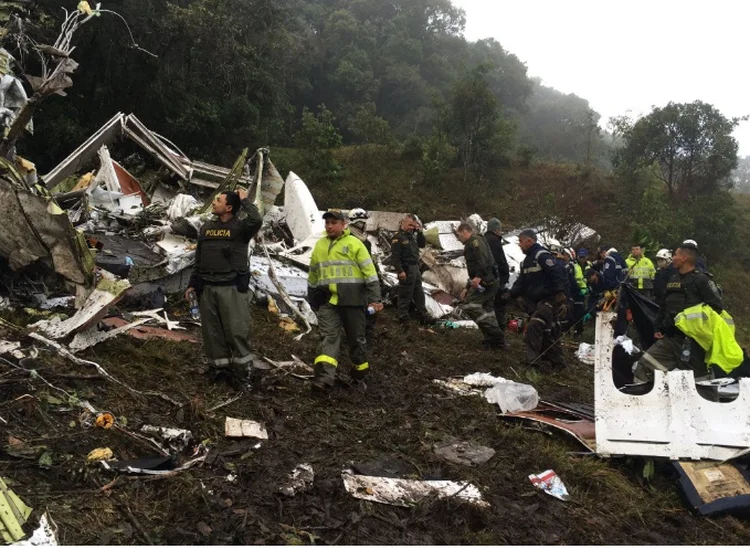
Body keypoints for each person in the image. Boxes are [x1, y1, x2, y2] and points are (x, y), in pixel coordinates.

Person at [185, 189, 263, 387]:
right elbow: (199, 258)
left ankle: (243, 373)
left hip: (231, 288)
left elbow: (256, 220)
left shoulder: (241, 228)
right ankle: (219, 371)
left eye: (218, 200)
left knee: (237, 330)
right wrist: (193, 284)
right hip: (207, 288)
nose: (213, 202)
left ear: (228, 207)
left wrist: (244, 200)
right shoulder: (206, 228)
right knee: (212, 333)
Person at [308, 210, 383, 393]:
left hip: (354, 302)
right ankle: (323, 379)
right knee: (329, 337)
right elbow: (313, 274)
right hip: (329, 302)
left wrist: (375, 299)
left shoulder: (356, 244)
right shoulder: (319, 245)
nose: (329, 226)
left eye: (333, 222)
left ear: (344, 224)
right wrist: (312, 299)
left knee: (356, 341)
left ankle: (359, 373)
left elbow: (370, 275)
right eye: (327, 223)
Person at [633, 244, 723, 382]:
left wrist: (693, 323)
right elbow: (664, 305)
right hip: (670, 339)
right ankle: (641, 400)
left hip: (693, 343)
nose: (673, 258)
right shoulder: (673, 278)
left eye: (675, 255)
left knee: (701, 382)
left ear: (684, 258)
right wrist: (658, 327)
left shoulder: (702, 280)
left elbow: (716, 308)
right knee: (644, 368)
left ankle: (709, 402)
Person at [504, 229, 569, 371]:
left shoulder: (542, 256)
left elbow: (556, 273)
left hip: (549, 299)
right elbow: (521, 282)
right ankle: (557, 363)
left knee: (534, 326)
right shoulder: (525, 262)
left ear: (529, 241)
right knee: (547, 332)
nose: (519, 245)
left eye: (521, 242)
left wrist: (560, 293)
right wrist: (510, 295)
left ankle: (532, 362)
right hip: (535, 302)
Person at [456, 222, 505, 348]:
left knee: (470, 305)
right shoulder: (473, 242)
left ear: (464, 231)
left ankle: (496, 334)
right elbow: (473, 270)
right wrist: (467, 287)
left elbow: (482, 260)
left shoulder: (475, 241)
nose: (458, 238)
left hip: (486, 280)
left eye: (459, 235)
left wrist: (478, 276)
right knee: (488, 309)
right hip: (487, 279)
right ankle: (494, 341)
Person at [348, 208, 380, 344]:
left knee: (371, 306)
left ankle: (367, 332)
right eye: (360, 221)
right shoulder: (348, 238)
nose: (362, 224)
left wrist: (376, 270)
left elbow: (368, 260)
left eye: (363, 221)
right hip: (354, 280)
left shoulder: (365, 239)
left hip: (367, 278)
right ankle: (357, 335)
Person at [390, 214, 428, 326]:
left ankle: (423, 315)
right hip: (406, 268)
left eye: (413, 225)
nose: (412, 227)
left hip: (415, 267)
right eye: (410, 225)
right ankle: (403, 317)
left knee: (419, 292)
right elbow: (395, 258)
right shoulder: (398, 237)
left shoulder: (412, 236)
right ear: (403, 222)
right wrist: (400, 270)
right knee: (405, 293)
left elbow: (422, 244)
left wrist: (419, 232)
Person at [483, 217, 510, 332]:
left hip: (485, 278)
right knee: (499, 306)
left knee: (488, 306)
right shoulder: (495, 241)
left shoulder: (483, 239)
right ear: (496, 230)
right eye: (500, 229)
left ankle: (490, 331)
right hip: (497, 278)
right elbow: (500, 261)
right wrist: (505, 275)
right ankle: (499, 331)